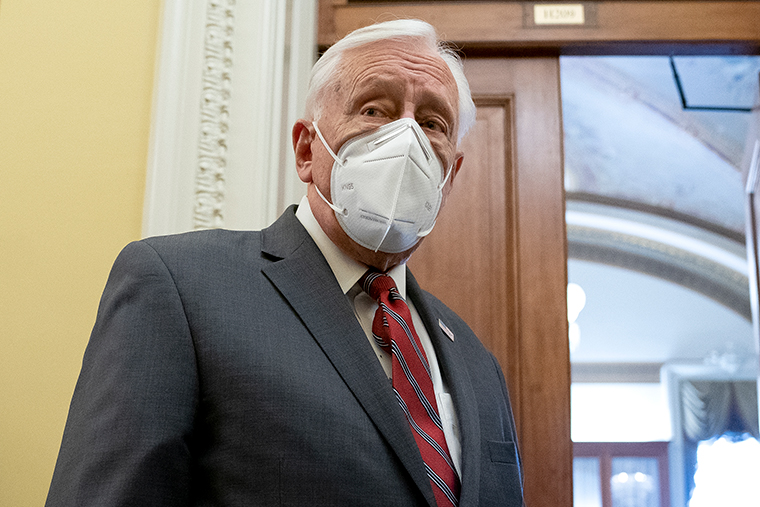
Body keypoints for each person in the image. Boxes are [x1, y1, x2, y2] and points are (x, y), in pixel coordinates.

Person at [46, 19, 524, 507]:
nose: (407, 140)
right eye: (374, 109)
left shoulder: (475, 360)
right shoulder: (179, 288)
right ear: (305, 149)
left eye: (431, 123)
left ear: (452, 175)